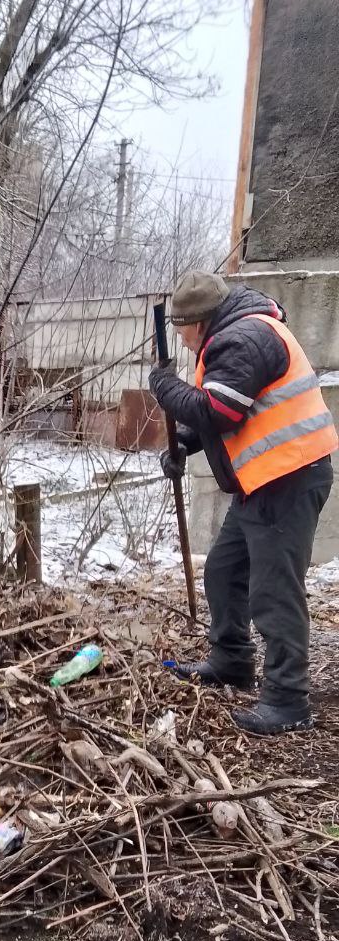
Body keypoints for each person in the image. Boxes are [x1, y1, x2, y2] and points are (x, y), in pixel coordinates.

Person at [149, 271, 336, 736]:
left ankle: (288, 701)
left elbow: (218, 411)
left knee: (274, 591)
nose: (183, 342)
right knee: (225, 571)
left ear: (197, 323)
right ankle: (232, 660)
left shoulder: (243, 339)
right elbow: (226, 414)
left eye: (181, 331)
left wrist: (164, 387)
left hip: (287, 479)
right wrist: (184, 445)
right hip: (263, 481)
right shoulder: (235, 333)